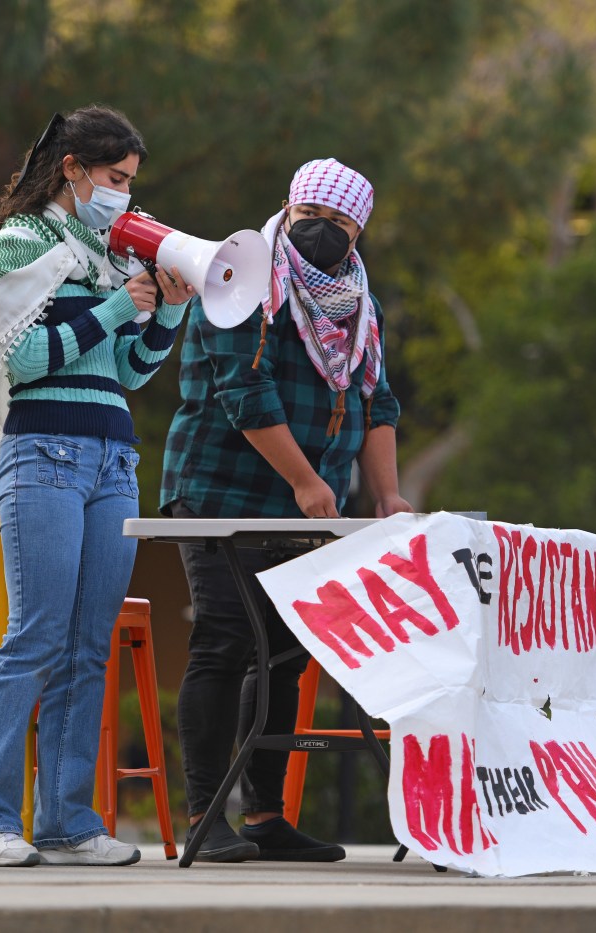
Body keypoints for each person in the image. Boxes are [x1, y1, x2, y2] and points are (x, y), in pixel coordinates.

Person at [0, 105, 193, 867]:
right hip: (43, 453)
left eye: (129, 182)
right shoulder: (21, 243)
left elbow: (121, 374)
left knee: (89, 645)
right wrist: (121, 306)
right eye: (114, 179)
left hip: (114, 456)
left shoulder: (109, 253)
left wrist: (165, 318)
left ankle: (66, 821)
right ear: (73, 170)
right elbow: (17, 359)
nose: (123, 194)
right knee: (37, 634)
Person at [160, 158, 412, 862]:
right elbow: (247, 389)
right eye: (313, 219)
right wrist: (304, 479)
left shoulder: (360, 300)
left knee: (287, 655)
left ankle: (266, 814)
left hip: (313, 502)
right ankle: (207, 818)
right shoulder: (242, 276)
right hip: (223, 492)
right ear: (286, 210)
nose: (324, 235)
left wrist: (387, 493)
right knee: (225, 638)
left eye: (341, 225)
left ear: (359, 232)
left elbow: (376, 398)